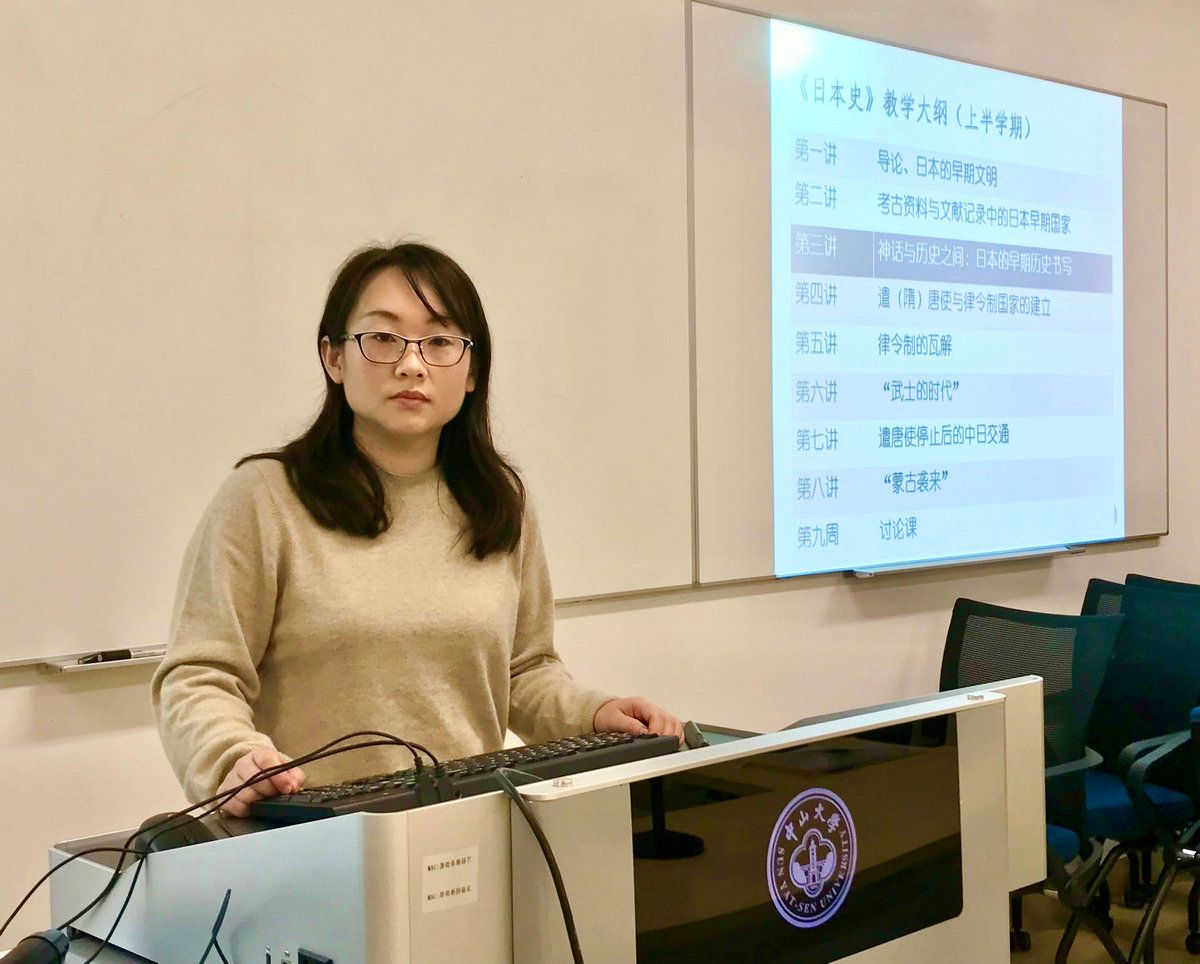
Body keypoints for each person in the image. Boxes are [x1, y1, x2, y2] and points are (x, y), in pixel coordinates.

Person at [152, 241, 684, 817]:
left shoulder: (498, 500)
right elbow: (199, 674)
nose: (412, 364)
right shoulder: (264, 498)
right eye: (383, 338)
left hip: (474, 825)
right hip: (315, 834)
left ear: (472, 369)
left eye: (439, 341)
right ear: (334, 358)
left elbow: (522, 672)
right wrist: (231, 756)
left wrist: (593, 715)